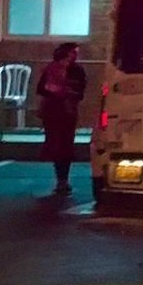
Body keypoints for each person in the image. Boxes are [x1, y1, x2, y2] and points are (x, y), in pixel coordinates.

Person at [36, 43, 87, 195]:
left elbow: (81, 91)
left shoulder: (77, 70)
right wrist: (57, 92)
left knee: (66, 144)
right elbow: (41, 88)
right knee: (57, 144)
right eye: (73, 52)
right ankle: (61, 179)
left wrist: (68, 92)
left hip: (68, 110)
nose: (75, 56)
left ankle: (63, 179)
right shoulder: (52, 68)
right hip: (53, 110)